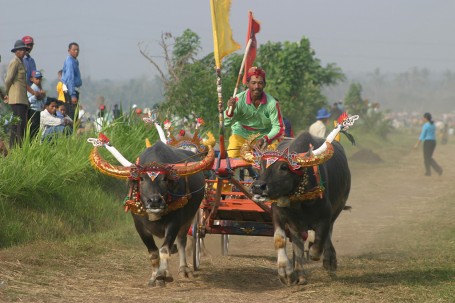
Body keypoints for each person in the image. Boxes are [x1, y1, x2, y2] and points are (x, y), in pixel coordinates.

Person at [219, 66, 284, 158]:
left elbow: (278, 128)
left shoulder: (272, 103)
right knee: (231, 157)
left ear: (264, 84)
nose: (256, 87)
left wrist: (264, 139)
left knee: (273, 160)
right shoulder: (238, 100)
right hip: (241, 134)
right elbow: (225, 123)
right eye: (253, 83)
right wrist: (231, 110)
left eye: (260, 83)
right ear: (248, 84)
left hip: (264, 137)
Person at [4, 40, 30, 148]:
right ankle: (16, 148)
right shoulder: (14, 62)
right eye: (21, 50)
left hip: (22, 98)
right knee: (19, 124)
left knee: (19, 125)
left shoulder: (21, 62)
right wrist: (7, 93)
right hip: (16, 98)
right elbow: (8, 79)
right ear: (16, 51)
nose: (23, 51)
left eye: (24, 49)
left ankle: (14, 148)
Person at [61, 42, 82, 122]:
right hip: (70, 91)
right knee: (72, 114)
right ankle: (70, 133)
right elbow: (70, 78)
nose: (76, 51)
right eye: (74, 50)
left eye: (77, 50)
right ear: (69, 50)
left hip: (73, 90)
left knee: (74, 114)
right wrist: (72, 94)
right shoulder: (70, 61)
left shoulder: (74, 61)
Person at [22, 36, 45, 102]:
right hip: (23, 91)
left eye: (31, 45)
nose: (29, 47)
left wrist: (40, 89)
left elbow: (36, 77)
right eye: (27, 45)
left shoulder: (32, 60)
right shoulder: (20, 60)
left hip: (32, 91)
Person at [27, 70, 46, 139]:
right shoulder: (32, 88)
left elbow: (44, 100)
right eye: (37, 79)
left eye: (40, 79)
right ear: (32, 79)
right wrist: (36, 96)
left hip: (39, 110)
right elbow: (29, 100)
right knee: (33, 130)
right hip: (33, 110)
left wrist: (43, 95)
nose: (39, 80)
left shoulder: (40, 88)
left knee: (38, 129)